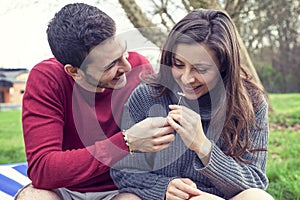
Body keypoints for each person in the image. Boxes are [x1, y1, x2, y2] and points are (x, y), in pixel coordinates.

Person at [16, 3, 176, 200]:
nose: (126, 66)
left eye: (123, 52)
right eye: (110, 64)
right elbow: (43, 170)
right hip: (65, 190)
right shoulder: (47, 79)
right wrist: (126, 142)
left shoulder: (139, 68)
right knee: (34, 197)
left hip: (122, 189)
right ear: (74, 72)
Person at [111, 9, 274, 200]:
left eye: (201, 69)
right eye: (178, 64)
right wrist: (163, 188)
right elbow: (122, 170)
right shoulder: (147, 96)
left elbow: (255, 183)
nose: (186, 78)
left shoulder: (250, 104)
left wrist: (203, 146)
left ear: (224, 66)